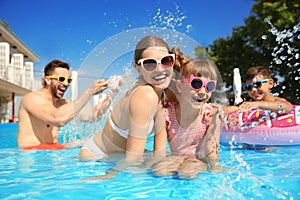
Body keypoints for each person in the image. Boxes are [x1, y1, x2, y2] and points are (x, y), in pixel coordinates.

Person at [79, 35, 174, 180]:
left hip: (119, 157)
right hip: (96, 159)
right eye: (150, 64)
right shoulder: (145, 95)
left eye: (166, 61)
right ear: (138, 68)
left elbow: (159, 154)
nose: (160, 69)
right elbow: (133, 163)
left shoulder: (160, 94)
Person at [153, 46, 224, 180]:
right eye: (196, 84)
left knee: (188, 173)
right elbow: (159, 154)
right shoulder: (165, 114)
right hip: (175, 157)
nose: (203, 92)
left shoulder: (211, 114)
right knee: (160, 170)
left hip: (197, 159)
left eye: (209, 86)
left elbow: (211, 152)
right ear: (179, 87)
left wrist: (216, 169)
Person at [17, 60, 110, 149]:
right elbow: (57, 119)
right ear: (47, 80)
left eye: (68, 80)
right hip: (31, 159)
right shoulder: (31, 99)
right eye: (61, 79)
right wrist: (89, 92)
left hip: (51, 156)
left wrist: (113, 93)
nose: (66, 84)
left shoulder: (63, 104)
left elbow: (94, 115)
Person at [224, 66, 293, 114]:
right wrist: (217, 110)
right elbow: (235, 108)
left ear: (270, 83)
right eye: (248, 87)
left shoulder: (276, 101)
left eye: (257, 84)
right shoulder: (250, 104)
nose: (253, 89)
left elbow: (287, 106)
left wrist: (258, 104)